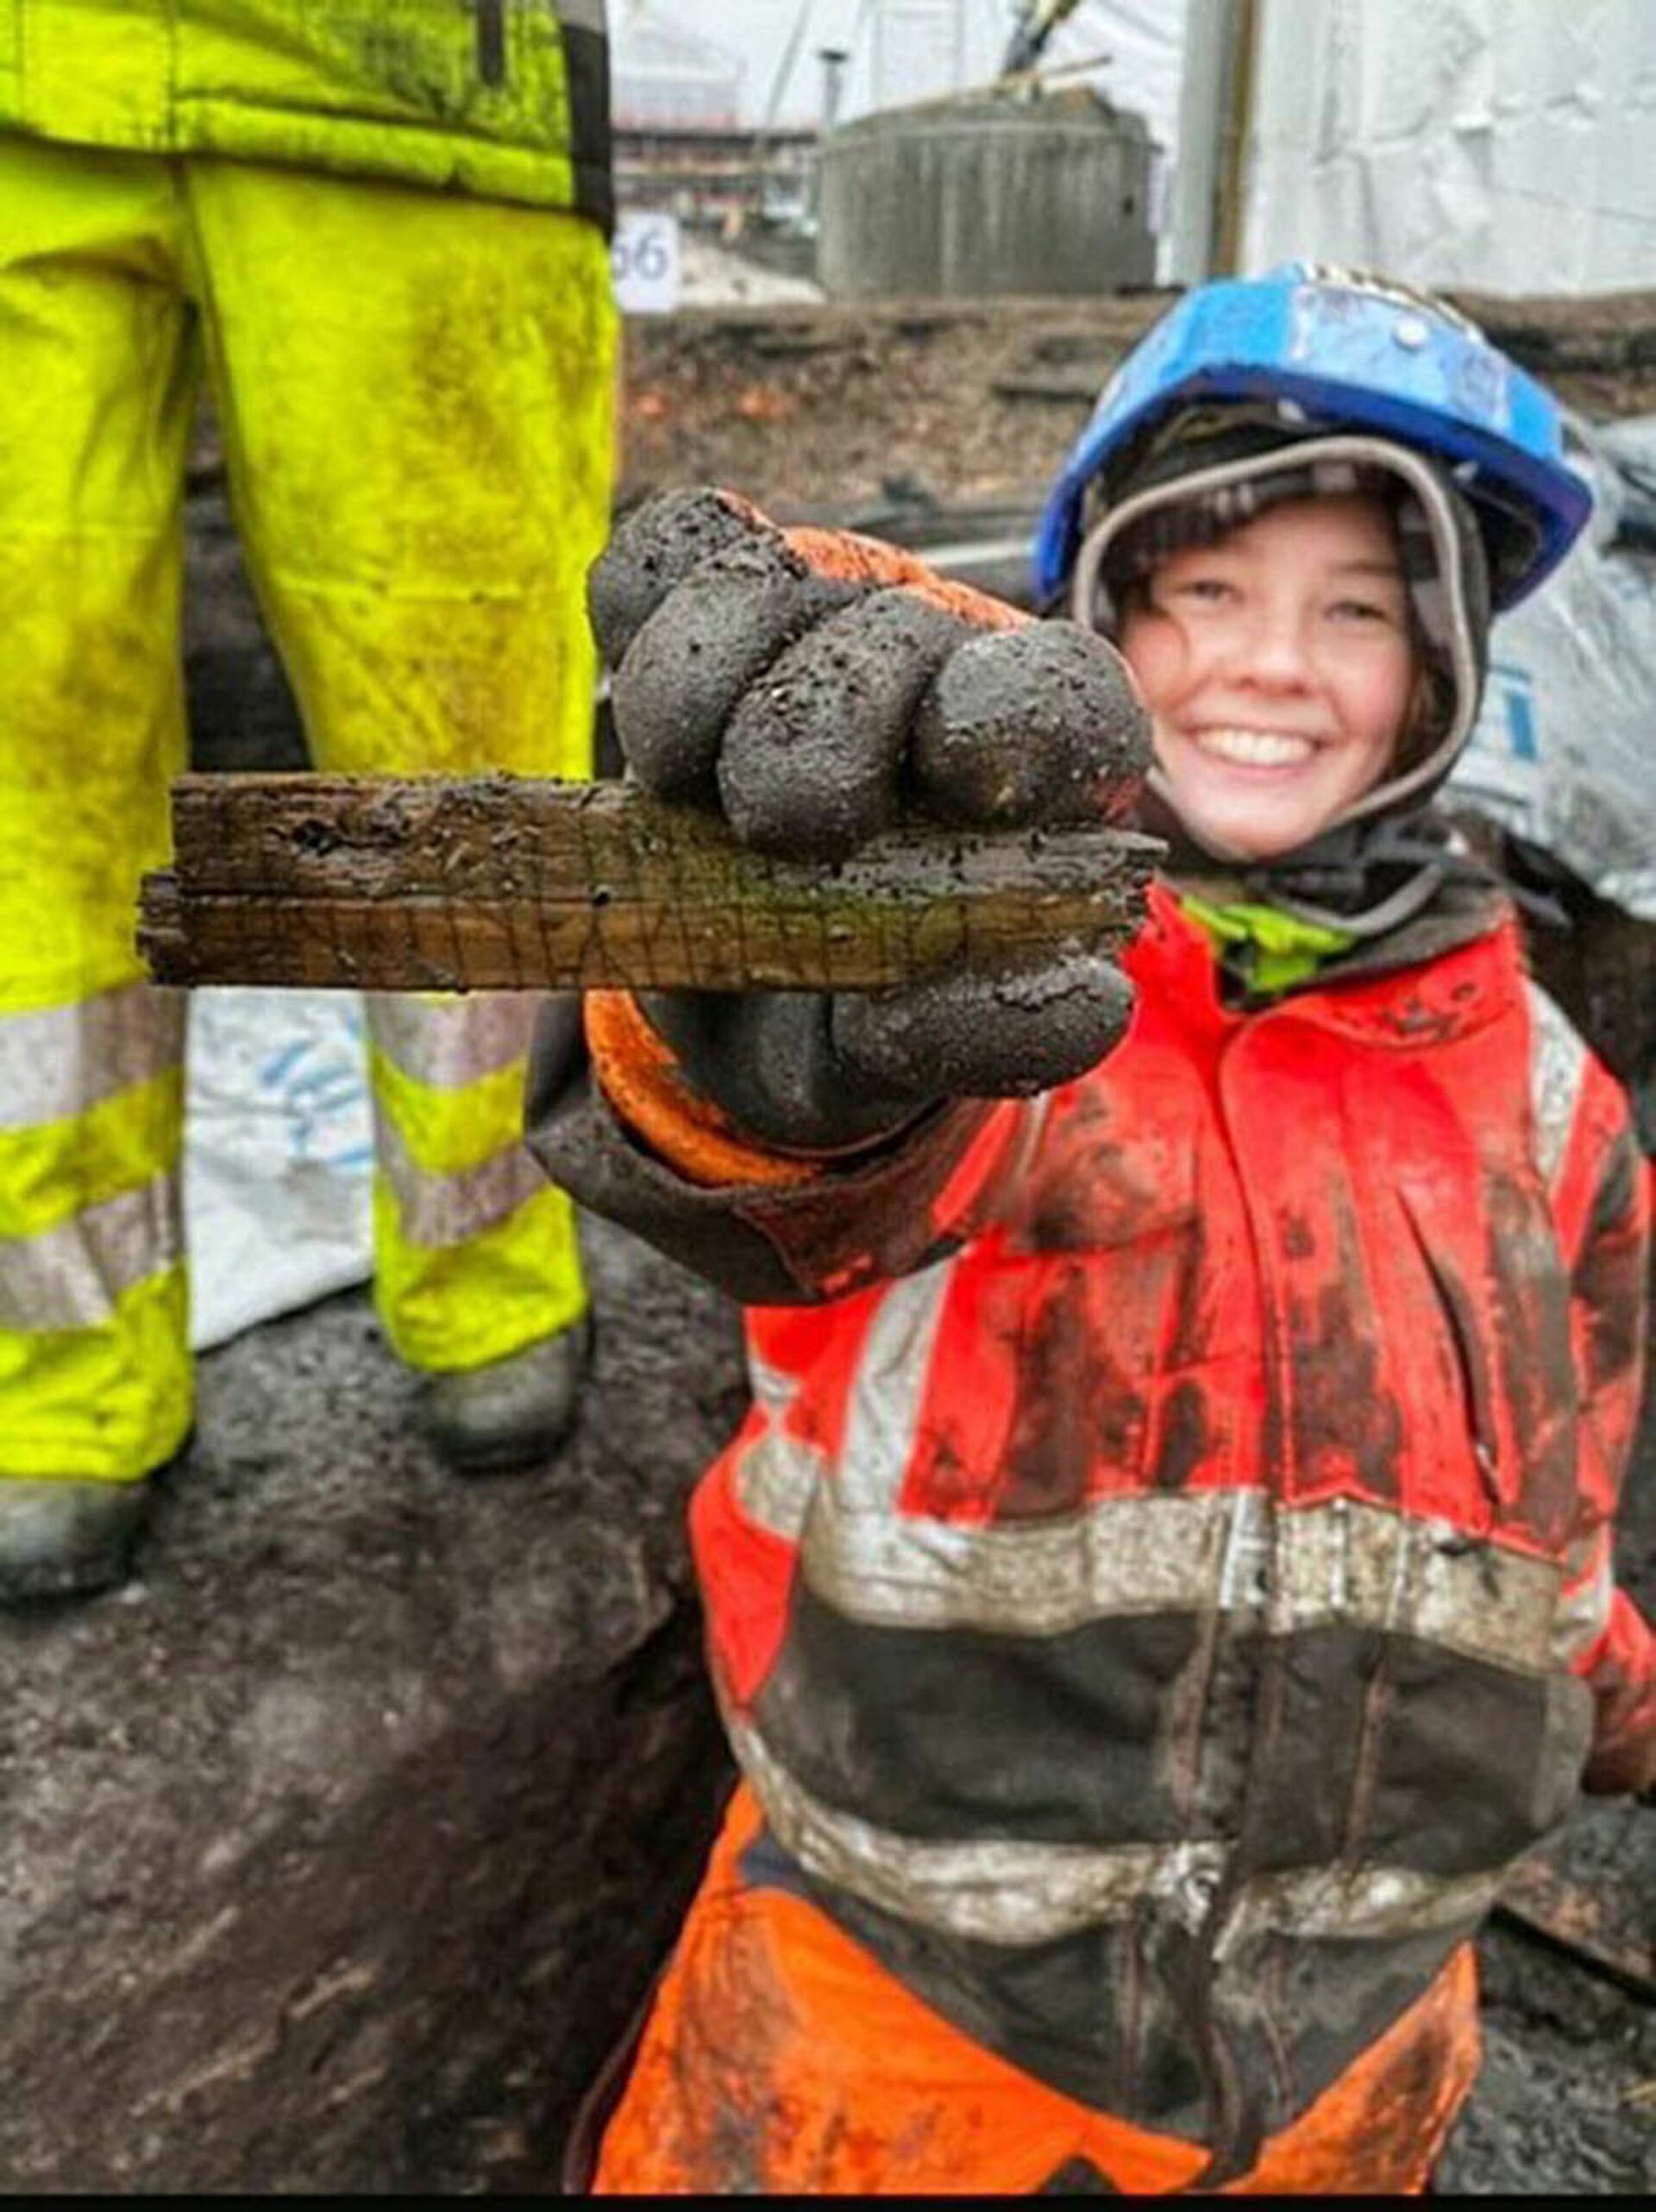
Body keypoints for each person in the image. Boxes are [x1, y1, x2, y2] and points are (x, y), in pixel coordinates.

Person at [526, 267, 1655, 2194]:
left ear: (1447, 675)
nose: (1273, 665)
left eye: (1357, 610)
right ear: (1105, 624)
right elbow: (787, 1175)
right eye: (1205, 591)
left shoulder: (1553, 1095)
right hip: (887, 2018)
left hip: (1361, 2040)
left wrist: (1616, 1702)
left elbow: (1563, 1513)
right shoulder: (1009, 991)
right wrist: (749, 1001)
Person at [0, 3, 616, 1598]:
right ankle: (59, 1355)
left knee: (460, 729)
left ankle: (489, 1258)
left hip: (409, 75)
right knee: (18, 747)